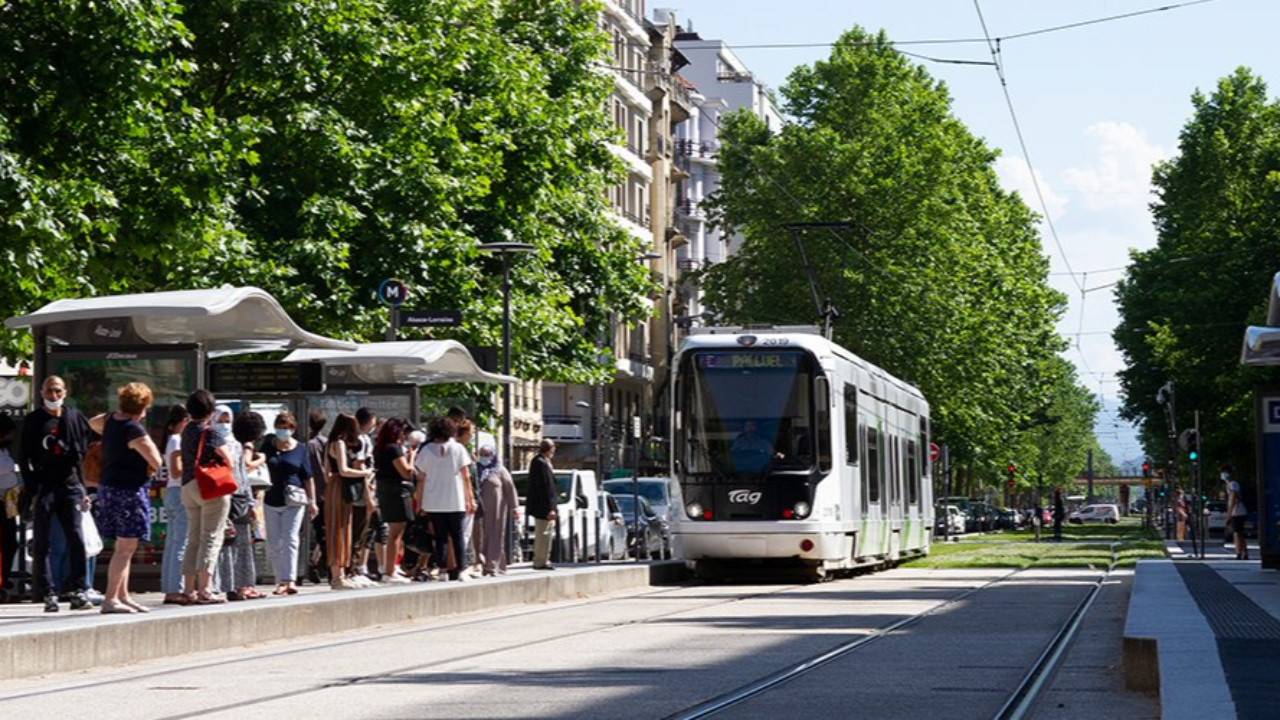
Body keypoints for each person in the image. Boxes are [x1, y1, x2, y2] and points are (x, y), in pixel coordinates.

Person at [20, 375, 94, 612]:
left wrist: (83, 488)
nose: (54, 396)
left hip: (70, 485)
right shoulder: (34, 421)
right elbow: (24, 456)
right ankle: (48, 592)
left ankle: (79, 589)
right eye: (50, 391)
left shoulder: (73, 418)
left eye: (58, 391)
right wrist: (32, 486)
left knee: (76, 537)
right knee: (42, 541)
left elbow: (81, 456)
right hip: (45, 485)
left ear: (65, 392)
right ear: (42, 392)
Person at [89, 382, 162, 614]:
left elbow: (92, 422)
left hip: (108, 488)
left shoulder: (110, 420)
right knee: (126, 546)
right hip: (129, 490)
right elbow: (157, 461)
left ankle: (123, 595)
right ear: (142, 406)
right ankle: (111, 598)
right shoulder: (134, 430)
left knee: (124, 546)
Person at [180, 389, 235, 605]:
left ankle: (187, 589)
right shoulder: (211, 433)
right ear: (211, 411)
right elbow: (228, 460)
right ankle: (205, 589)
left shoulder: (186, 431)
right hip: (210, 488)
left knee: (193, 538)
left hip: (188, 487)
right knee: (211, 537)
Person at [262, 411, 316, 595]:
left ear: (293, 429)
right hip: (271, 499)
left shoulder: (300, 449)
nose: (282, 431)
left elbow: (308, 477)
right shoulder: (267, 447)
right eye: (279, 427)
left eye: (286, 428)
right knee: (274, 542)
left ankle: (290, 580)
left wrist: (312, 501)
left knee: (291, 539)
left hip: (294, 499)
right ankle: (280, 580)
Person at [414, 416, 473, 581]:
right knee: (457, 535)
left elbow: (421, 478)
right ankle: (461, 569)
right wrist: (469, 499)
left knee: (440, 536)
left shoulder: (426, 450)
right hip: (455, 498)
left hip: (433, 499)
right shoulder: (459, 449)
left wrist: (419, 501)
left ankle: (442, 569)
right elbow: (466, 476)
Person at [213, 408, 264, 601]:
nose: (224, 424)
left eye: (227, 420)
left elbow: (241, 472)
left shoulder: (234, 444)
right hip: (223, 496)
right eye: (221, 419)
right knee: (225, 543)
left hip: (240, 497)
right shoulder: (212, 442)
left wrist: (250, 500)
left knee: (242, 544)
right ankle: (226, 585)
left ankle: (242, 584)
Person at [325, 413, 374, 590]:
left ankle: (340, 573)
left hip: (333, 487)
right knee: (340, 529)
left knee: (338, 528)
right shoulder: (339, 443)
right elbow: (344, 470)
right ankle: (338, 576)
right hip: (341, 487)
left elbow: (326, 471)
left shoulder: (330, 443)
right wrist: (365, 473)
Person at [373, 418, 415, 584]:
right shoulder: (393, 449)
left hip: (385, 490)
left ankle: (392, 567)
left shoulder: (382, 448)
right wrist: (412, 457)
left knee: (395, 530)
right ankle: (390, 571)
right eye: (403, 433)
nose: (405, 437)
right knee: (396, 531)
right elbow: (406, 472)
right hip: (395, 491)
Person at [157, 404, 190, 604]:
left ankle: (170, 586)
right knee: (181, 542)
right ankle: (176, 588)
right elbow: (177, 472)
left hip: (171, 491)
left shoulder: (169, 440)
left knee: (172, 543)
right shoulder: (178, 441)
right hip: (180, 491)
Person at [478, 442, 518, 576]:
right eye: (482, 455)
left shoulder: (500, 470)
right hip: (479, 511)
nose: (484, 457)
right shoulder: (476, 469)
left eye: (487, 454)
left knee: (495, 536)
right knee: (480, 537)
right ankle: (481, 563)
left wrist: (515, 508)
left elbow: (510, 488)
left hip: (496, 511)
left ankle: (493, 565)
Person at [525, 438, 558, 571]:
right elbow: (546, 487)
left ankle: (543, 560)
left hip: (543, 507)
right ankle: (540, 561)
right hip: (543, 508)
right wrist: (550, 508)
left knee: (545, 534)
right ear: (549, 449)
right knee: (544, 534)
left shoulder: (541, 461)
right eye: (553, 448)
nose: (554, 451)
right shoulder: (540, 462)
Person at [305, 408, 328, 584]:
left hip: (313, 493)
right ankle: (315, 562)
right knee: (322, 532)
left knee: (317, 531)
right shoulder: (324, 442)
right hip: (323, 493)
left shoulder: (309, 444)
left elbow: (315, 472)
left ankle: (313, 563)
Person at [0, 415, 19, 592]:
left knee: (10, 542)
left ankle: (3, 579)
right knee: (5, 543)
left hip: (7, 503)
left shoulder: (5, 451)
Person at [1224, 467, 1249, 560]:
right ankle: (1243, 552)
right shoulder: (1231, 484)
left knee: (1237, 533)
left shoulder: (1233, 484)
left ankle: (1239, 552)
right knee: (1238, 533)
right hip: (1238, 511)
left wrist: (1228, 515)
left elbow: (1232, 500)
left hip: (1238, 511)